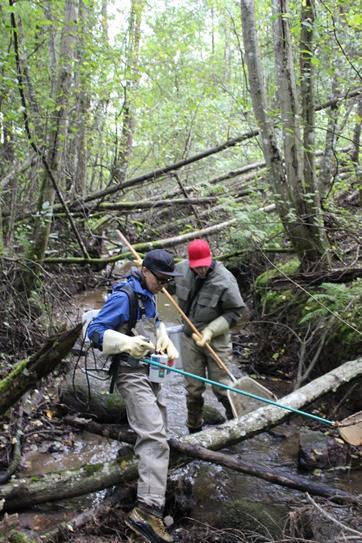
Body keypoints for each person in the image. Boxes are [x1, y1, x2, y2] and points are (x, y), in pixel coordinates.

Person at [87, 249, 182, 543]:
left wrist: (163, 339)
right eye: (161, 279)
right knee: (154, 435)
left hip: (150, 371)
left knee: (161, 429)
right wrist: (127, 342)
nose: (164, 285)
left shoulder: (149, 295)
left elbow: (154, 323)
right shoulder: (124, 297)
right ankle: (148, 511)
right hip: (130, 374)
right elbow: (94, 331)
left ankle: (138, 477)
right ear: (146, 272)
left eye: (169, 281)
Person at [174, 239, 248, 433]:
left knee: (222, 388)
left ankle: (236, 424)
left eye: (204, 266)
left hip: (216, 338)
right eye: (197, 267)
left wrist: (210, 331)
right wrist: (151, 274)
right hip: (190, 337)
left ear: (211, 258)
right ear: (189, 263)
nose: (201, 270)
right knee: (193, 389)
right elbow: (162, 285)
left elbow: (235, 313)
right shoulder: (180, 271)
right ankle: (194, 428)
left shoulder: (225, 280)